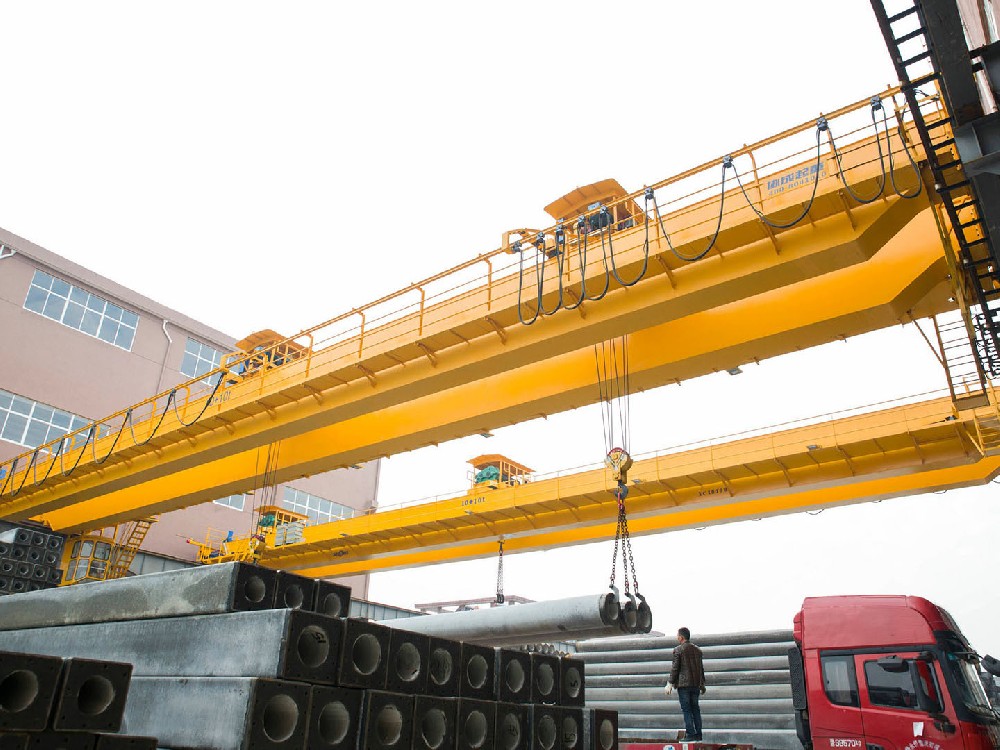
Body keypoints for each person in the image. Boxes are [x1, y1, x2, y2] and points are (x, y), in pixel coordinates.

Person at [665, 627, 706, 742]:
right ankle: (698, 734)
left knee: (687, 710)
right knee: (695, 709)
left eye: (677, 635)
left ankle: (690, 734)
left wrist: (670, 683)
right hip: (695, 685)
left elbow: (675, 668)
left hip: (684, 686)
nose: (676, 637)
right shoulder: (698, 650)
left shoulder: (678, 650)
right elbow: (701, 669)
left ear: (681, 637)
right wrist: (702, 684)